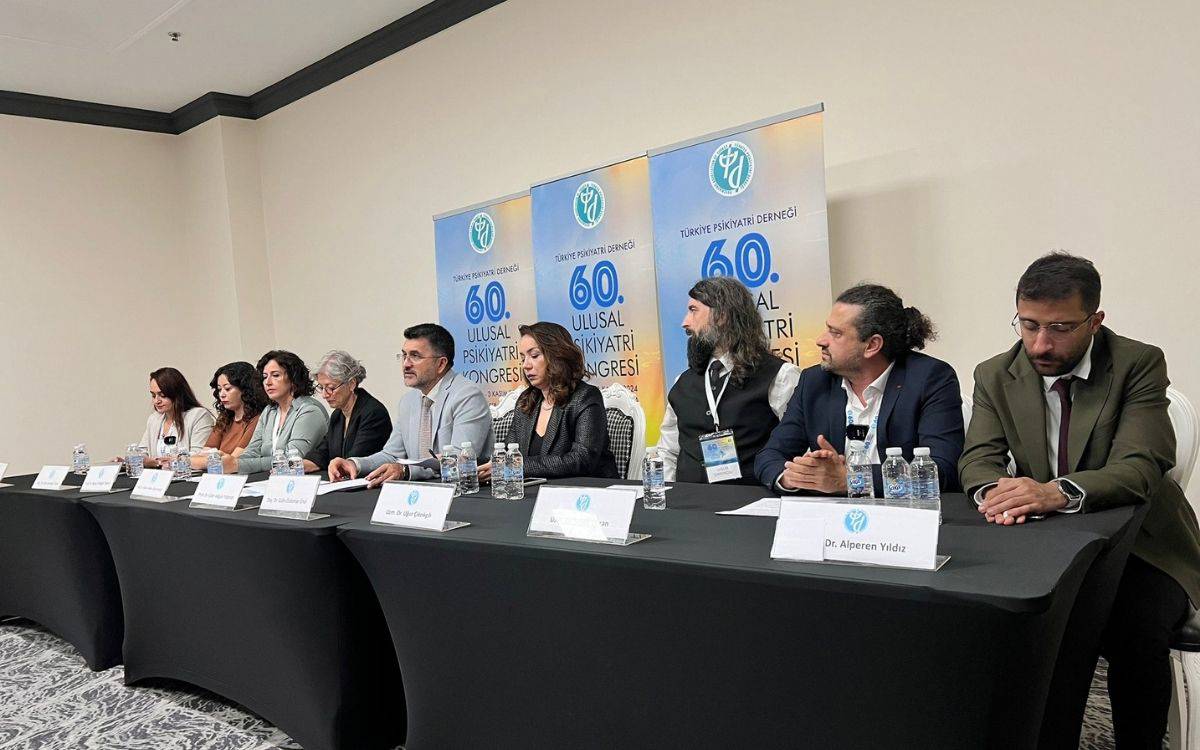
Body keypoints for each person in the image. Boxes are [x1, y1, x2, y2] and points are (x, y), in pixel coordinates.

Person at [960, 252, 1200, 747]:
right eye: (1028, 325)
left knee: (1137, 630)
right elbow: (977, 460)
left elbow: (1141, 467)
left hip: (1142, 542)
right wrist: (998, 494)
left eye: (1061, 327)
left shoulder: (1138, 362)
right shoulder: (994, 373)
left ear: (1095, 321)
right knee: (1025, 625)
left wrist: (1054, 492)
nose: (1040, 344)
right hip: (1048, 539)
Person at [755, 284, 964, 494]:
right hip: (832, 516)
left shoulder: (930, 379)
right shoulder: (814, 381)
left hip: (903, 516)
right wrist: (793, 477)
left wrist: (851, 479)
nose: (820, 341)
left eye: (835, 333)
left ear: (872, 345)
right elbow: (770, 455)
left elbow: (941, 469)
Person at [655, 277, 800, 484]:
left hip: (753, 506)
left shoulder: (781, 375)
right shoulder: (682, 382)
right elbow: (667, 452)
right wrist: (666, 499)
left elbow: (799, 446)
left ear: (721, 315)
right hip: (687, 506)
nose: (685, 322)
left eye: (693, 310)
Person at [328, 324, 492, 487]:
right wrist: (354, 464)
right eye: (404, 355)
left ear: (441, 364)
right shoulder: (408, 401)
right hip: (420, 492)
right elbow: (392, 455)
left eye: (415, 356)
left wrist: (407, 471)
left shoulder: (467, 396)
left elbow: (461, 461)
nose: (406, 364)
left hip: (463, 494)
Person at [479, 322, 618, 481]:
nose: (526, 365)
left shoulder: (585, 397)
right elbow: (508, 452)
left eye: (534, 355)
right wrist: (490, 467)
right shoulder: (526, 401)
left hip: (587, 495)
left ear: (557, 356)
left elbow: (582, 460)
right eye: (523, 358)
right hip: (536, 494)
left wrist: (518, 465)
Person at [225, 350, 328, 474]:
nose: (268, 382)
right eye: (264, 377)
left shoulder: (309, 410)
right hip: (271, 477)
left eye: (275, 375)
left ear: (293, 379)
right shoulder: (269, 411)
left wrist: (239, 465)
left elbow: (292, 459)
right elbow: (253, 451)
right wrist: (232, 463)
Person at [303, 350, 391, 473]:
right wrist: (294, 467)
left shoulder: (373, 413)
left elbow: (355, 460)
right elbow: (321, 454)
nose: (324, 395)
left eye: (331, 388)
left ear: (351, 384)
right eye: (321, 387)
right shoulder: (338, 415)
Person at [130, 367, 214, 468]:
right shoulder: (154, 419)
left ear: (176, 394)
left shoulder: (199, 415)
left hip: (186, 479)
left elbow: (199, 456)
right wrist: (131, 459)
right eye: (153, 395)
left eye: (162, 395)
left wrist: (160, 462)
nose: (156, 401)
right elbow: (143, 452)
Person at [191, 361, 267, 470]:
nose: (221, 394)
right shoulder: (224, 418)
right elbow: (200, 457)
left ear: (245, 390)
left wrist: (213, 458)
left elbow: (233, 460)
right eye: (219, 389)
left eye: (227, 389)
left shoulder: (257, 419)